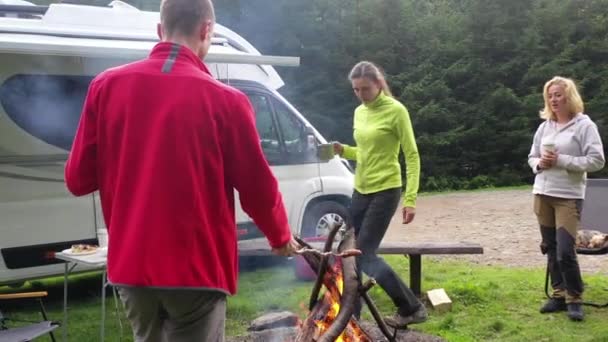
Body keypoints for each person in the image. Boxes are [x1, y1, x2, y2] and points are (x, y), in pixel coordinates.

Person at [64, 0, 300, 340]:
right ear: (206, 31)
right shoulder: (227, 101)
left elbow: (77, 180)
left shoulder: (105, 87)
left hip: (130, 266)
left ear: (160, 31)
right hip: (195, 270)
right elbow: (257, 186)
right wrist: (280, 236)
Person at [332, 61, 426, 328]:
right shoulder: (359, 112)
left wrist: (410, 199)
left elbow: (412, 154)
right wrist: (344, 150)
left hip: (386, 189)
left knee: (365, 253)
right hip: (360, 189)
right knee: (348, 251)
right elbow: (365, 152)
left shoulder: (396, 111)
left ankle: (411, 307)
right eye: (356, 90)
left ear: (378, 84)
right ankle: (353, 313)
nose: (361, 94)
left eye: (365, 89)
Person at [528, 76, 605, 321]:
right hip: (542, 193)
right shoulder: (545, 126)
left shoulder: (584, 125)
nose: (553, 100)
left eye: (558, 95)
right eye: (550, 96)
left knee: (565, 250)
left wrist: (562, 161)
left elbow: (597, 160)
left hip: (568, 196)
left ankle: (575, 298)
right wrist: (540, 163)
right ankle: (559, 295)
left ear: (569, 97)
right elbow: (531, 157)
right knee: (550, 248)